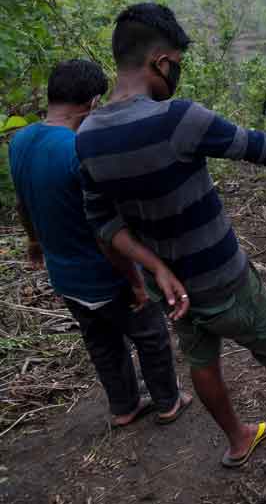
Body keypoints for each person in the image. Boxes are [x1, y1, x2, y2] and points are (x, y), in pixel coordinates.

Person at [76, 3, 266, 468]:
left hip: (173, 288)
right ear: (160, 61)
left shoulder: (87, 136)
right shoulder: (180, 118)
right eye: (176, 65)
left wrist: (156, 269)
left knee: (202, 359)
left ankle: (239, 440)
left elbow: (104, 223)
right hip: (223, 275)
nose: (176, 75)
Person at [9, 59, 192, 428]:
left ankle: (124, 407)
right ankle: (168, 401)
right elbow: (103, 230)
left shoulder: (20, 141)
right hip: (104, 275)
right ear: (93, 102)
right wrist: (137, 282)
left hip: (65, 277)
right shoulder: (79, 151)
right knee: (151, 335)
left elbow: (22, 202)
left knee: (102, 343)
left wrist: (33, 241)